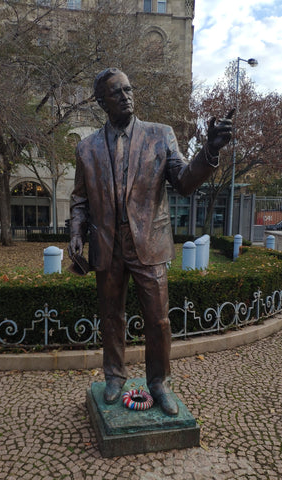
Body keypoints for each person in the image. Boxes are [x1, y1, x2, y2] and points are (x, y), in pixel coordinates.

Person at [68, 67, 233, 416]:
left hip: (149, 243)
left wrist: (209, 152)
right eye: (117, 92)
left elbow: (185, 182)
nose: (127, 96)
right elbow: (80, 199)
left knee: (158, 320)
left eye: (129, 89)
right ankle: (114, 377)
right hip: (107, 245)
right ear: (102, 102)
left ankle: (159, 383)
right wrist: (75, 233)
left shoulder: (161, 135)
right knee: (111, 316)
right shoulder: (86, 147)